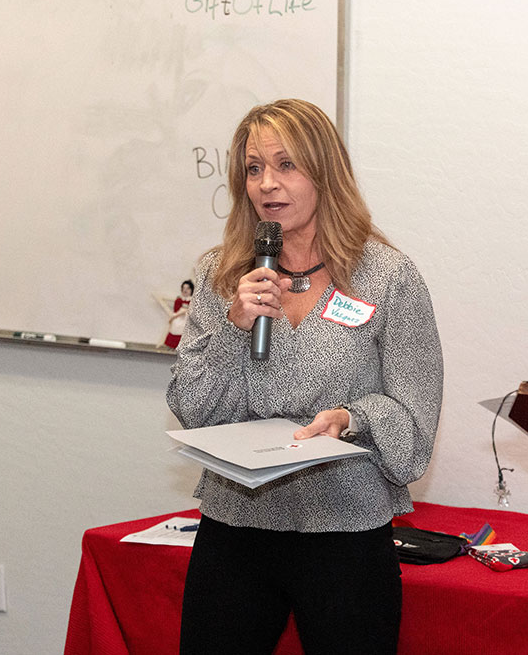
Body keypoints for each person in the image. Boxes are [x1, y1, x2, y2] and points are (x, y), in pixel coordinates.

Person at [166, 98, 444, 654]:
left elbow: (414, 432)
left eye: (286, 164)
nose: (267, 183)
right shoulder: (220, 274)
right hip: (235, 526)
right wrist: (232, 326)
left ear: (325, 172)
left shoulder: (389, 277)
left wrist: (352, 418)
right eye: (253, 168)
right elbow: (191, 408)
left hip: (346, 534)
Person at [155, 279, 193, 349]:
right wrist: (182, 311)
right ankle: (173, 345)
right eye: (184, 288)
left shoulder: (192, 301)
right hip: (179, 318)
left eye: (187, 288)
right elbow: (176, 310)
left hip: (187, 319)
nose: (185, 290)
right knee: (176, 326)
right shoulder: (179, 300)